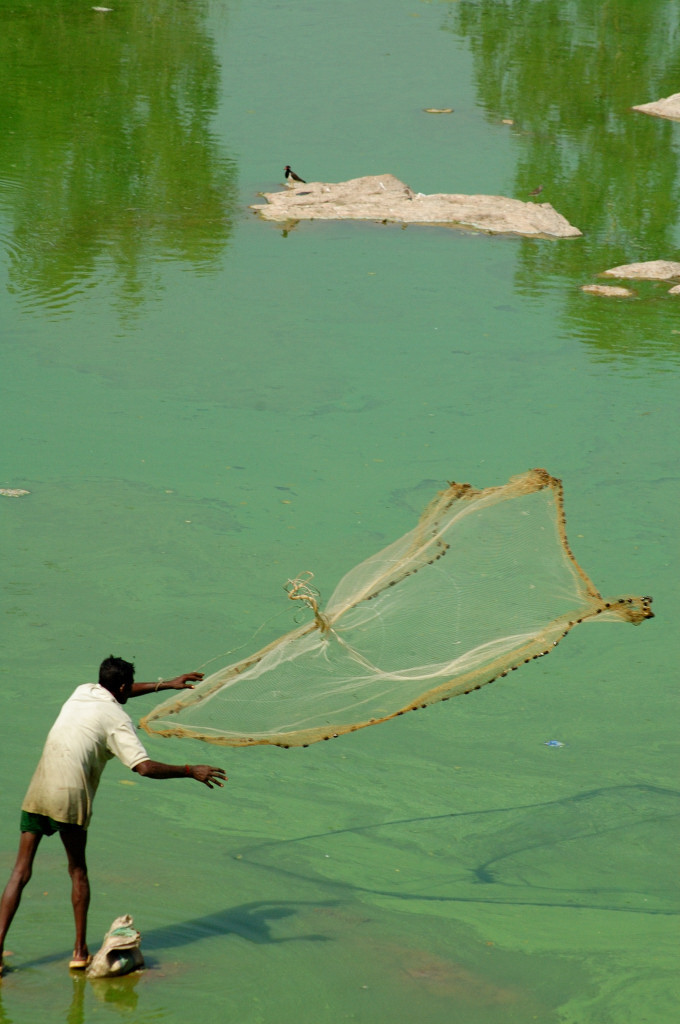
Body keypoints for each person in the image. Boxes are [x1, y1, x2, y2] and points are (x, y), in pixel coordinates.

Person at [0, 656, 226, 976]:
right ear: (121, 688)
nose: (129, 691)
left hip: (39, 788)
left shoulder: (83, 690)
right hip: (70, 796)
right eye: (127, 686)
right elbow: (143, 767)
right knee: (77, 871)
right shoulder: (117, 720)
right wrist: (190, 770)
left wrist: (166, 684)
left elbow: (119, 690)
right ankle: (79, 952)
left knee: (20, 872)